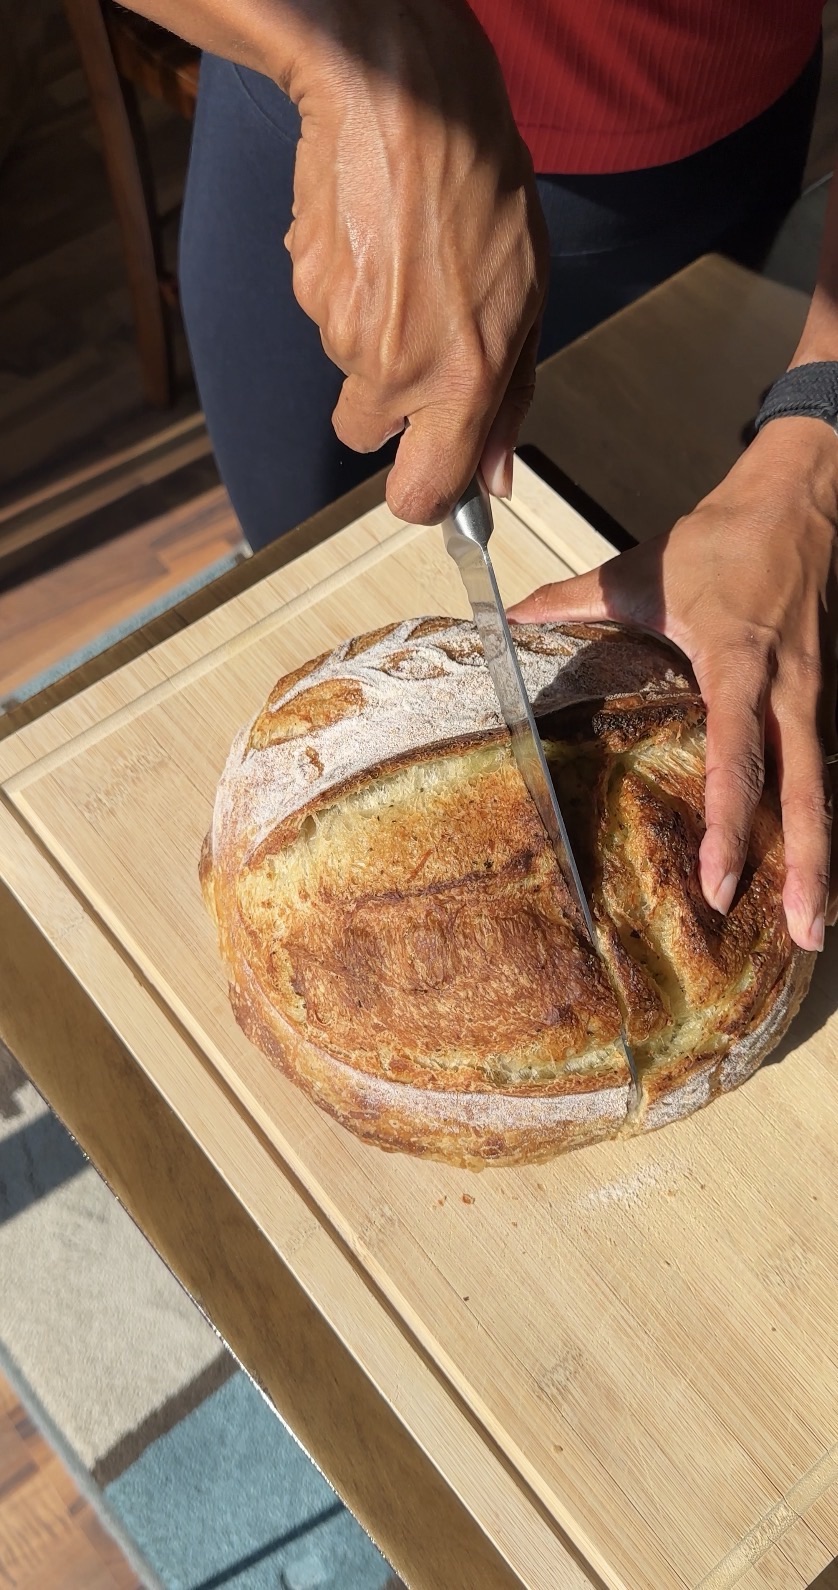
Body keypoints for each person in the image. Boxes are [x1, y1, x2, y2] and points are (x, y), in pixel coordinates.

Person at [123, 0, 836, 948]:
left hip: (669, 158)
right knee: (294, 562)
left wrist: (815, 447)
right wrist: (362, 39)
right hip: (286, 76)